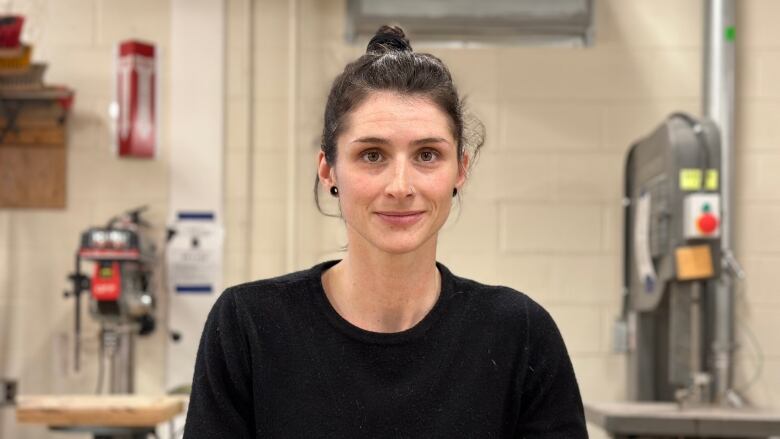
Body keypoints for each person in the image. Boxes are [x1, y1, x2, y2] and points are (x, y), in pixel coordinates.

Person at [184, 25, 587, 438]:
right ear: (328, 170)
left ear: (460, 169)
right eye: (372, 155)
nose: (400, 186)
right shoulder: (248, 326)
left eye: (427, 155)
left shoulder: (519, 333)